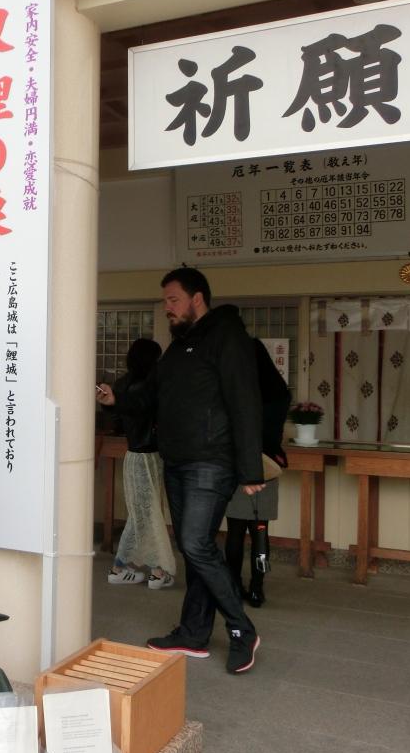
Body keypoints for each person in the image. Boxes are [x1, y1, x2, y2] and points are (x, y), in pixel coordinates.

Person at [97, 267, 264, 674]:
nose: (168, 308)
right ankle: (193, 633)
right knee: (196, 546)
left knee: (194, 543)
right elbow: (149, 396)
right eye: (165, 301)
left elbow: (245, 403)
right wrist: (116, 399)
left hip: (213, 461)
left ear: (197, 298)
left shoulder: (228, 339)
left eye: (173, 300)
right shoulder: (179, 347)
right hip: (178, 460)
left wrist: (250, 469)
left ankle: (242, 629)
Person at [224, 338, 290, 607]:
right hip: (267, 469)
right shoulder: (278, 391)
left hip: (238, 468)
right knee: (261, 530)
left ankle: (232, 584)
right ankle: (257, 589)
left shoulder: (235, 390)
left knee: (235, 532)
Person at [105, 338, 177, 590]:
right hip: (150, 455)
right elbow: (145, 408)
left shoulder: (123, 384)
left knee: (143, 515)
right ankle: (143, 571)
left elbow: (116, 418)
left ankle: (129, 568)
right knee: (147, 515)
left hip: (133, 455)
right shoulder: (150, 386)